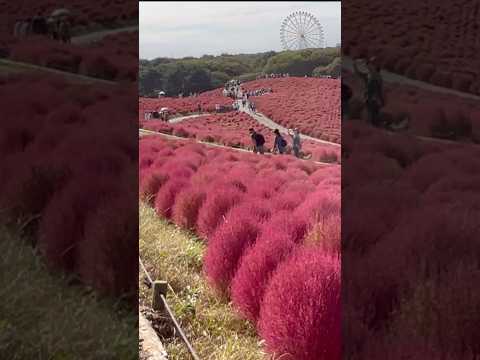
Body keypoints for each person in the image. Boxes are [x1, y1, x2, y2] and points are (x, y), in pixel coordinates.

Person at [353, 57, 385, 127]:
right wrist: (355, 65)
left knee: (372, 114)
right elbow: (359, 74)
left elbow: (379, 90)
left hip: (373, 99)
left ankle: (374, 128)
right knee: (372, 114)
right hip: (372, 99)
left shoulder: (374, 77)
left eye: (371, 66)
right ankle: (374, 127)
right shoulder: (372, 76)